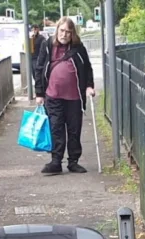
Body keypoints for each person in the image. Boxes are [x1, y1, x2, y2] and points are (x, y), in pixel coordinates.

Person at [33, 17, 96, 175]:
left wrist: (89, 86)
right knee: (56, 128)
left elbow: (87, 68)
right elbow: (39, 68)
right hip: (53, 96)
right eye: (62, 31)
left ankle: (73, 162)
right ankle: (56, 161)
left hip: (74, 97)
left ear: (72, 33)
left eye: (68, 32)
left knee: (74, 130)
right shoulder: (47, 45)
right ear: (57, 30)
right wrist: (39, 93)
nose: (64, 34)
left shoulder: (78, 48)